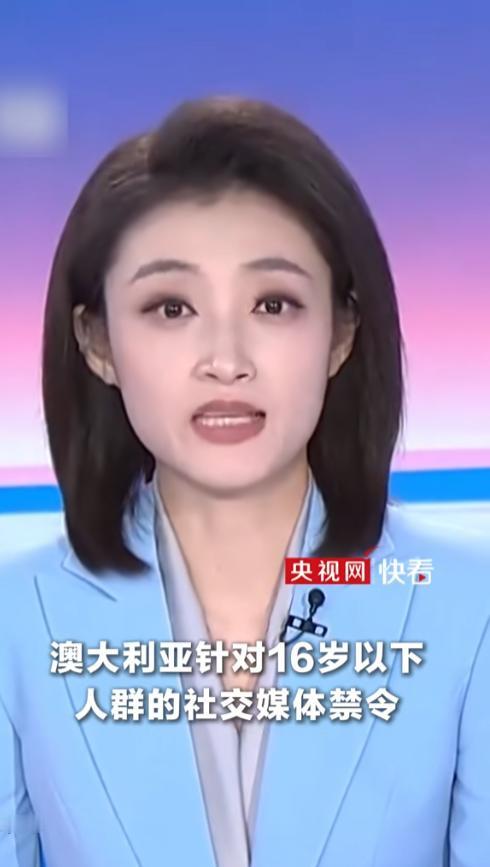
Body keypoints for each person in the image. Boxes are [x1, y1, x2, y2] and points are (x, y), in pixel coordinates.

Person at [0, 95, 488, 867]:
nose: (225, 360)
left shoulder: (468, 604)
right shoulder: (16, 617)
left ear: (342, 332)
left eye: (273, 303)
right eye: (171, 307)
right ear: (97, 342)